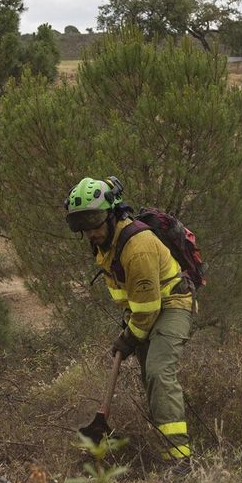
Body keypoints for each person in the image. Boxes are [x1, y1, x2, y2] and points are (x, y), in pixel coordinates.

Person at [64, 177, 194, 466]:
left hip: (172, 305)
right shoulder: (103, 245)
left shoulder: (138, 245)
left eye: (95, 222)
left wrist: (129, 337)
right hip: (144, 312)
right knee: (151, 379)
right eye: (82, 225)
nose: (90, 232)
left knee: (160, 374)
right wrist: (130, 328)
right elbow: (134, 300)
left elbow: (148, 309)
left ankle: (180, 462)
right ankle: (167, 447)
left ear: (112, 214)